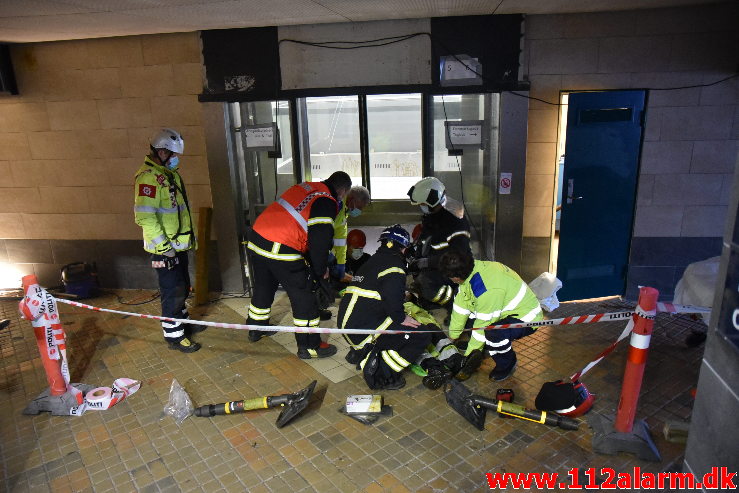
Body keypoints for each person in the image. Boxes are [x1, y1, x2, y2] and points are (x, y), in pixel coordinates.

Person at [246, 171, 352, 359]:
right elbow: (319, 239)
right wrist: (320, 271)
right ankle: (310, 346)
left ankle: (256, 328)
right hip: (282, 246)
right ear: (343, 191)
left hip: (257, 238)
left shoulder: (307, 187)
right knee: (304, 295)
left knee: (264, 286)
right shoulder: (326, 200)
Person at [337, 225, 431, 390]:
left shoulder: (372, 261)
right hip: (363, 330)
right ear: (402, 248)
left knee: (399, 325)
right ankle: (382, 373)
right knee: (421, 335)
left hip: (349, 326)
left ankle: (360, 352)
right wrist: (402, 318)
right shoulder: (394, 266)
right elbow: (394, 303)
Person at [134, 128, 200, 353]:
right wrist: (165, 248)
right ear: (161, 152)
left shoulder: (168, 175)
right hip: (164, 249)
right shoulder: (148, 179)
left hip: (177, 246)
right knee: (171, 290)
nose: (176, 159)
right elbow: (145, 217)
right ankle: (174, 337)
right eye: (173, 155)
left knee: (182, 285)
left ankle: (183, 325)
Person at [439, 249, 544, 381]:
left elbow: (482, 325)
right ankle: (481, 349)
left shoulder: (486, 290)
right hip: (500, 308)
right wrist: (453, 336)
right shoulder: (471, 269)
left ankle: (507, 364)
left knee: (494, 333)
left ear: (457, 277)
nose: (450, 279)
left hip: (526, 316)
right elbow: (461, 306)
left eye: (450, 277)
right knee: (472, 316)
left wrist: (468, 357)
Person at [407, 177, 471, 311]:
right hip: (439, 265)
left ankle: (456, 304)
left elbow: (457, 257)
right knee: (417, 281)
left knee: (426, 282)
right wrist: (415, 257)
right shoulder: (433, 217)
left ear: (433, 201)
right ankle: (432, 301)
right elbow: (427, 241)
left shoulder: (455, 221)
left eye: (423, 204)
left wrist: (426, 263)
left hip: (455, 269)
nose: (421, 207)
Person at [330, 186, 371, 282]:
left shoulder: (344, 213)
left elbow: (340, 238)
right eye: (360, 207)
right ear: (353, 199)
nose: (359, 211)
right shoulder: (335, 206)